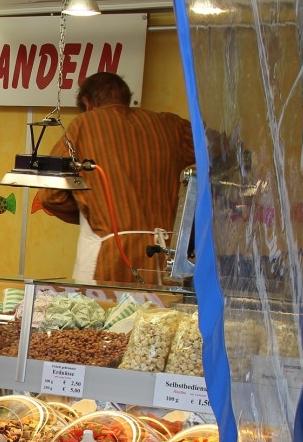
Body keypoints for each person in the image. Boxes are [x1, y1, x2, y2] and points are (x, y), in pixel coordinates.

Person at [39, 72, 195, 285]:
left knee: (108, 316)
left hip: (111, 258)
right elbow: (216, 159)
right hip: (167, 256)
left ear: (88, 103)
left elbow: (50, 195)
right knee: (161, 317)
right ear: (126, 99)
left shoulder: (83, 125)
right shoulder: (173, 126)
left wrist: (94, 211)